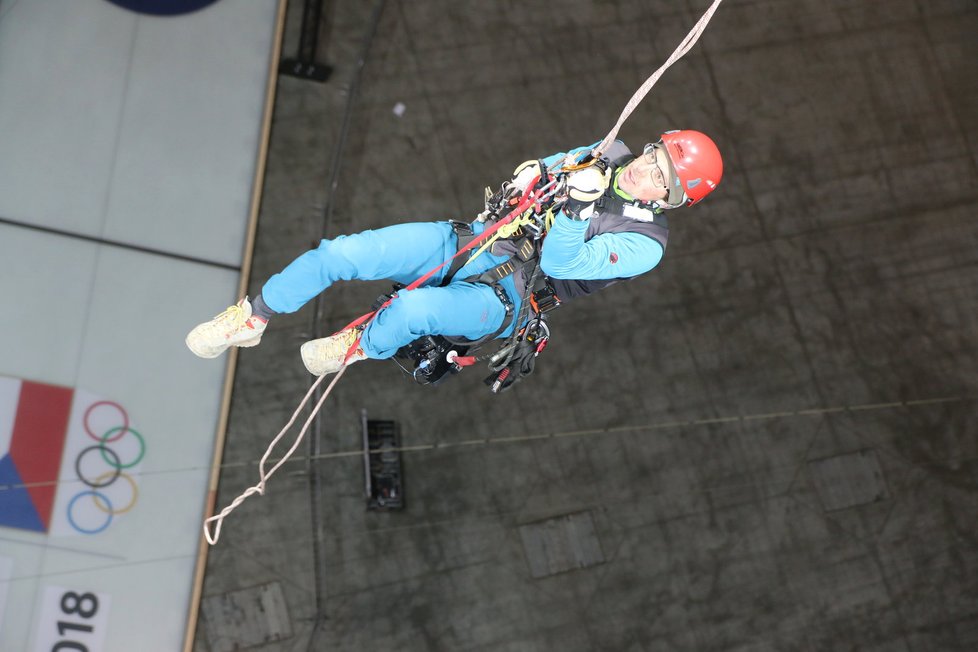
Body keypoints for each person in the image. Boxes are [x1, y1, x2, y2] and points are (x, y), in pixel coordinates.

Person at [186, 130, 723, 378]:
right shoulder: (604, 154)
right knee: (340, 254)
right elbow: (549, 163)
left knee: (413, 312)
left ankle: (359, 345)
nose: (644, 169)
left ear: (670, 198)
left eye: (661, 176)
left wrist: (576, 212)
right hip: (472, 239)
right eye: (653, 156)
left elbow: (562, 265)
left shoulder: (643, 245)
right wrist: (536, 170)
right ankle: (254, 315)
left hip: (505, 293)